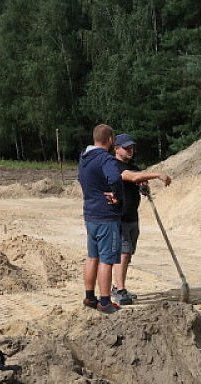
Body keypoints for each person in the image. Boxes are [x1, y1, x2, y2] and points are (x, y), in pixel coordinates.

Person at [109, 133, 171, 305]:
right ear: (116, 148)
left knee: (127, 255)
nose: (130, 150)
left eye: (132, 147)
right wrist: (157, 175)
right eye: (126, 147)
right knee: (123, 252)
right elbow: (134, 177)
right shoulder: (114, 166)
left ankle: (117, 286)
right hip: (119, 217)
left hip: (131, 217)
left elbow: (137, 180)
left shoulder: (132, 166)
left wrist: (143, 187)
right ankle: (120, 291)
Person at [77, 124, 124, 314]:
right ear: (110, 139)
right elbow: (115, 178)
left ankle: (90, 297)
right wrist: (117, 196)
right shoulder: (106, 159)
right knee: (107, 260)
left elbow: (80, 178)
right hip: (106, 216)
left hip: (90, 214)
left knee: (92, 257)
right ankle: (105, 302)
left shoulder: (84, 157)